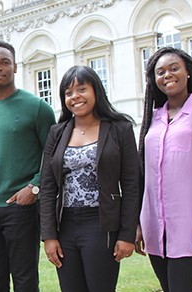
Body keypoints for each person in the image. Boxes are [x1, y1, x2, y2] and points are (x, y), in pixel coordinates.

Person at [136, 47, 192, 291]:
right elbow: (142, 173)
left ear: (188, 72)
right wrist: (136, 223)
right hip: (154, 226)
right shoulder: (152, 117)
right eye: (160, 71)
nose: (167, 75)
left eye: (174, 68)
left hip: (189, 226)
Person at [39, 66, 139, 291]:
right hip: (65, 226)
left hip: (101, 225)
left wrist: (127, 234)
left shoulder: (119, 129)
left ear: (96, 91)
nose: (75, 97)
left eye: (81, 89)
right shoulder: (57, 132)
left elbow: (132, 185)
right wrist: (49, 236)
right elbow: (47, 187)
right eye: (68, 92)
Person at [0, 41, 56, 291]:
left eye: (4, 62)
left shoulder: (38, 108)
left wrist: (35, 187)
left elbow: (52, 157)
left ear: (15, 67)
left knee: (25, 281)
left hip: (22, 208)